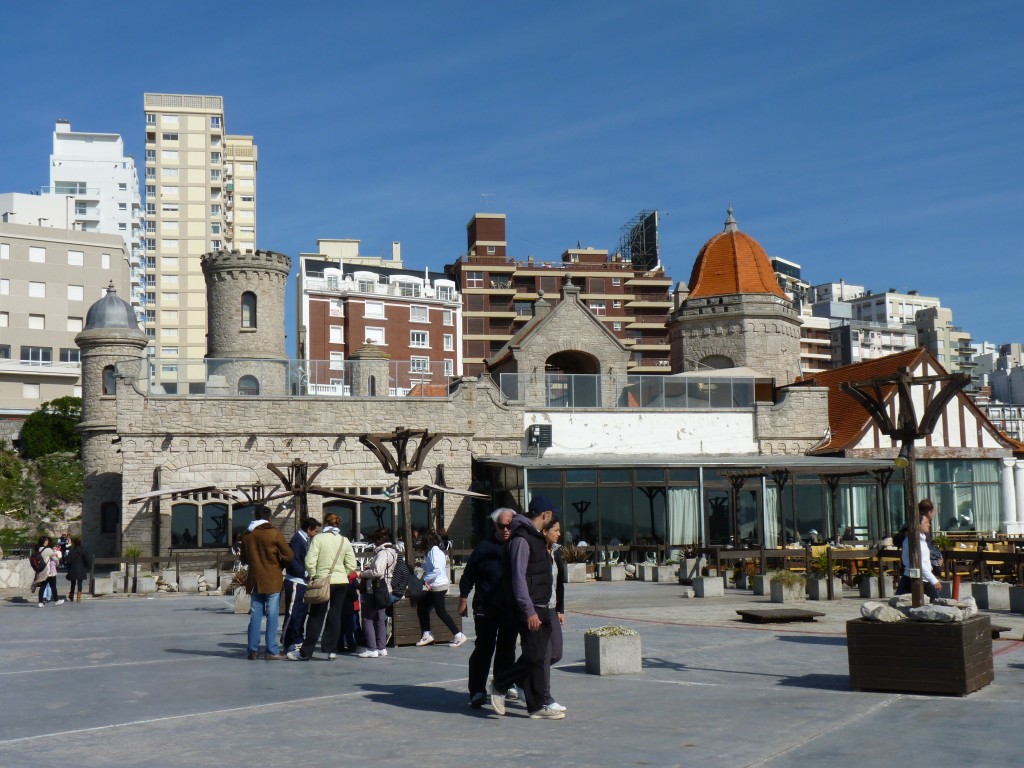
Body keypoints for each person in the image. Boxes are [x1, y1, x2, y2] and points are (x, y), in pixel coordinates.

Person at [489, 496, 564, 720]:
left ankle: (536, 705)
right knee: (533, 656)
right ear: (545, 515)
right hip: (531, 608)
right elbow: (518, 578)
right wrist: (528, 610)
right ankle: (500, 683)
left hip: (543, 605)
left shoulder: (536, 538)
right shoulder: (522, 539)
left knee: (540, 657)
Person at [459, 507, 519, 707]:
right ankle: (477, 690)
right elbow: (468, 575)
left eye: (509, 526)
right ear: (496, 526)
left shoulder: (519, 546)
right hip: (486, 606)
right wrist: (463, 598)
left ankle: (504, 683)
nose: (506, 530)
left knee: (507, 648)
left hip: (510, 607)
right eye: (502, 526)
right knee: (484, 648)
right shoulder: (484, 548)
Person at [288, 513, 357, 661]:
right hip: (341, 582)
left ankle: (306, 652)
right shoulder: (344, 540)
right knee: (335, 616)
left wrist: (314, 575)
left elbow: (310, 560)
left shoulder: (319, 539)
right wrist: (342, 573)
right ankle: (331, 650)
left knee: (316, 616)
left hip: (323, 580)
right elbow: (352, 564)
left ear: (325, 523)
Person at [240, 506, 293, 660]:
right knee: (272, 615)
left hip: (255, 579)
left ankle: (253, 650)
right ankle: (271, 650)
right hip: (272, 578)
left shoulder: (247, 534)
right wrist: (279, 564)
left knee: (255, 615)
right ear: (269, 518)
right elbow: (289, 555)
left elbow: (243, 558)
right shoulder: (274, 533)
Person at [415, 530, 467, 648]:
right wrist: (421, 565)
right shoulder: (432, 552)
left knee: (441, 612)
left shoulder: (434, 552)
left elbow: (437, 569)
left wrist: (425, 580)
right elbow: (431, 566)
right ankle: (427, 634)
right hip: (436, 585)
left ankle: (458, 635)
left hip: (438, 586)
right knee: (423, 606)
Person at [357, 527, 399, 658]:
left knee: (368, 618)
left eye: (375, 541)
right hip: (386, 588)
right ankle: (381, 647)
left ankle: (372, 648)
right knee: (380, 618)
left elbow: (378, 572)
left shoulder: (382, 553)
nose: (374, 544)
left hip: (374, 589)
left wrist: (362, 573)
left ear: (379, 541)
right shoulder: (393, 552)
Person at [282, 517, 320, 654]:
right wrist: (305, 573)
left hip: (302, 582)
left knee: (301, 612)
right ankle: (288, 641)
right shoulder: (297, 540)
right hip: (295, 581)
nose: (316, 534)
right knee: (292, 612)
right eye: (315, 531)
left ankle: (297, 639)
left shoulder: (303, 540)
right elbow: (292, 560)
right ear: (308, 529)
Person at [541, 515, 567, 714]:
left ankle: (519, 678)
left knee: (556, 653)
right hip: (538, 609)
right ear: (544, 531)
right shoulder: (536, 552)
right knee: (545, 653)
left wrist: (560, 609)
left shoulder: (556, 552)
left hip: (552, 609)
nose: (559, 534)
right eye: (556, 530)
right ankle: (545, 698)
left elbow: (559, 584)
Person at [896, 502, 942, 600]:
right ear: (918, 525)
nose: (929, 525)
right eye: (926, 523)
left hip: (915, 575)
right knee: (936, 602)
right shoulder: (913, 541)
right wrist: (934, 580)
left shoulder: (921, 538)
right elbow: (920, 563)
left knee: (901, 601)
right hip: (917, 576)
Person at [33, 536, 64, 607]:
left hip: (42, 571)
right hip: (50, 571)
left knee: (43, 587)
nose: (48, 542)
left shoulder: (38, 549)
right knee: (53, 586)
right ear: (45, 542)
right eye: (46, 541)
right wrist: (57, 562)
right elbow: (55, 559)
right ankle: (56, 600)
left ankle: (40, 602)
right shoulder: (48, 550)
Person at [65, 537, 92, 603]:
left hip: (73, 568)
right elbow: (87, 560)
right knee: (80, 583)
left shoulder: (72, 551)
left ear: (74, 543)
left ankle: (71, 595)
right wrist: (87, 566)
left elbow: (68, 561)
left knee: (73, 583)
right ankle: (78, 597)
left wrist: (68, 567)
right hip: (81, 568)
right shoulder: (84, 550)